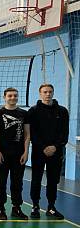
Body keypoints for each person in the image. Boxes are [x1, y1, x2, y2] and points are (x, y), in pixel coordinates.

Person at [27, 84, 68, 219]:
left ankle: (51, 207)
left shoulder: (62, 111)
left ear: (53, 93)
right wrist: (43, 147)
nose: (48, 94)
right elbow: (32, 133)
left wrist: (55, 146)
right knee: (36, 179)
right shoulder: (33, 111)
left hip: (56, 152)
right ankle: (35, 206)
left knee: (52, 180)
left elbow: (64, 133)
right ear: (40, 94)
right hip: (39, 151)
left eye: (50, 92)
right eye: (45, 92)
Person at [0, 87, 30, 220]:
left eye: (15, 95)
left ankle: (16, 208)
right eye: (10, 96)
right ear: (4, 97)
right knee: (1, 182)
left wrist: (26, 152)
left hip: (18, 154)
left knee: (17, 182)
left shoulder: (24, 113)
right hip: (3, 154)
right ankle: (1, 208)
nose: (13, 98)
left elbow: (27, 134)